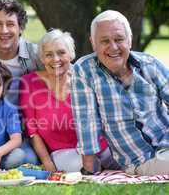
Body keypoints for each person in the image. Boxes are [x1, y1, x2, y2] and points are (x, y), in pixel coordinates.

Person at [71, 10, 169, 176]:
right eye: (105, 41)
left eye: (119, 39)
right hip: (141, 159)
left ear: (129, 40)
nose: (113, 47)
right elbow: (86, 122)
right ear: (93, 43)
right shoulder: (84, 70)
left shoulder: (149, 64)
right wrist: (89, 170)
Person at [19, 29, 120, 172]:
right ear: (42, 58)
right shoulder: (29, 83)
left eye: (61, 52)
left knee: (129, 163)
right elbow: (32, 132)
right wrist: (47, 163)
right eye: (49, 54)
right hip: (63, 152)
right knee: (80, 166)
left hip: (99, 145)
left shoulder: (83, 79)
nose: (55, 59)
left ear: (71, 55)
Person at [0, 0, 43, 165]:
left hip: (19, 133)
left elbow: (65, 65)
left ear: (20, 28)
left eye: (10, 24)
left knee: (28, 159)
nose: (4, 30)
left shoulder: (36, 55)